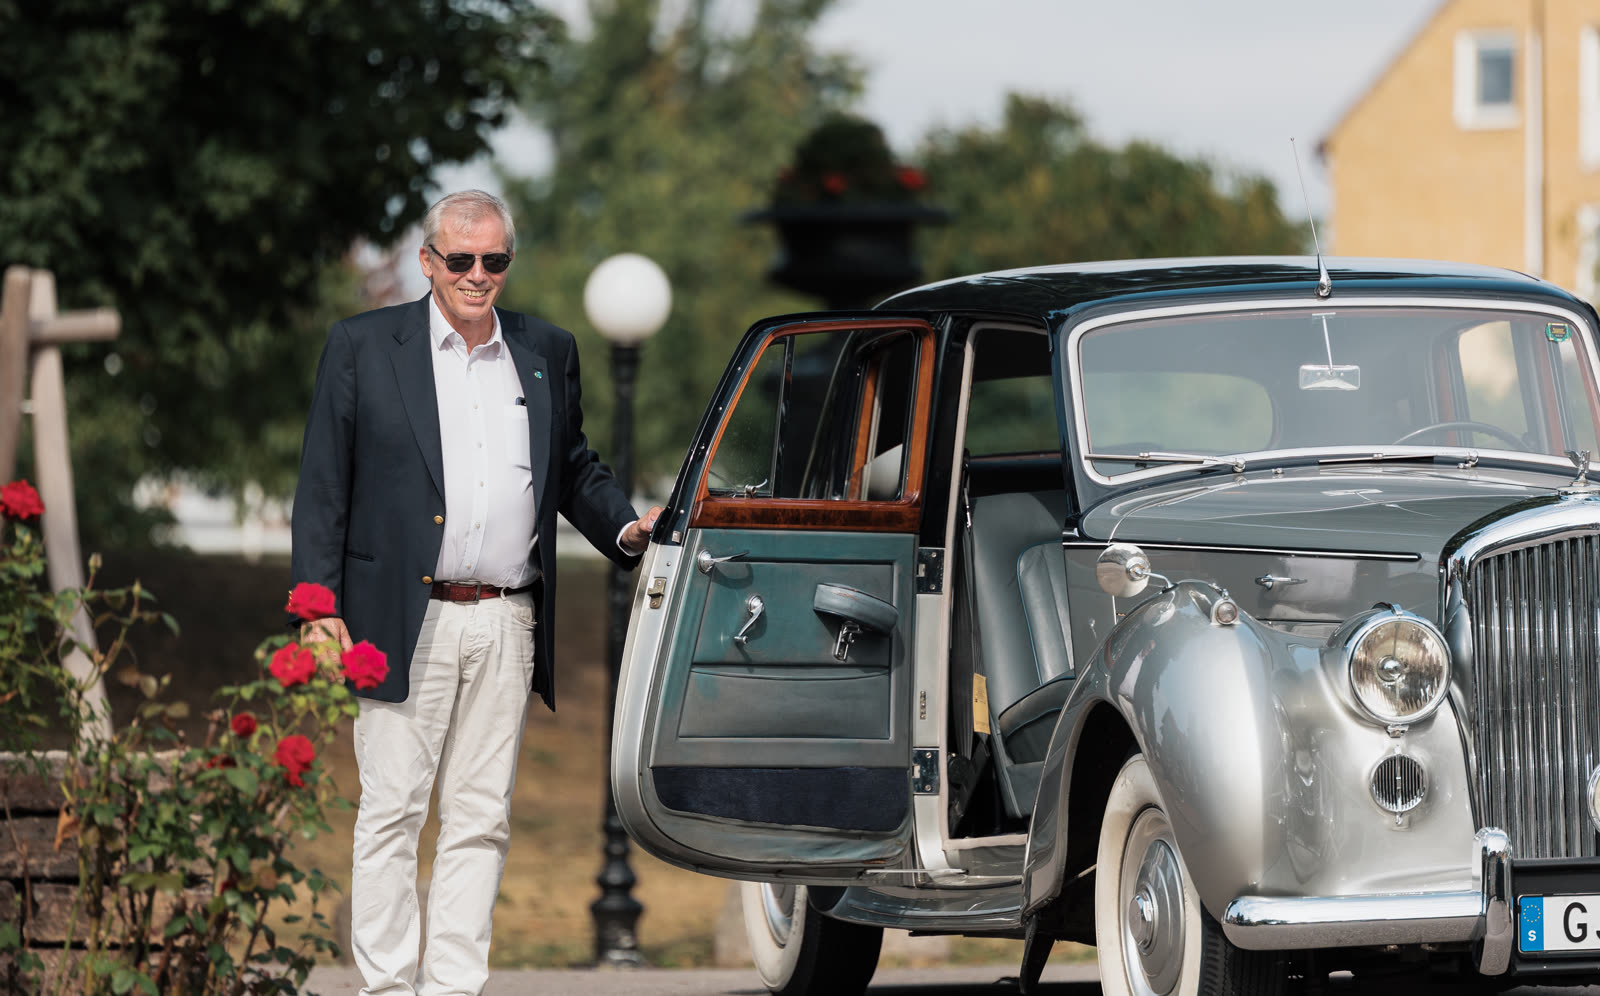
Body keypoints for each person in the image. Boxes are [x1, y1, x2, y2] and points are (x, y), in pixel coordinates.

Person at [289, 189, 660, 996]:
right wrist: (318, 609)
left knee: (481, 817)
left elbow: (571, 467)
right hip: (400, 619)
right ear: (428, 262)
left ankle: (454, 986)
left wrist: (627, 528)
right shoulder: (363, 347)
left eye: (494, 260)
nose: (477, 274)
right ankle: (388, 987)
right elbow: (322, 488)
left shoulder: (545, 348)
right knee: (392, 811)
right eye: (460, 259)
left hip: (507, 619)